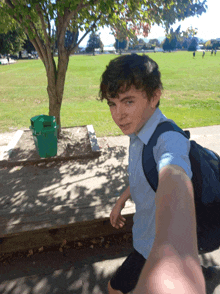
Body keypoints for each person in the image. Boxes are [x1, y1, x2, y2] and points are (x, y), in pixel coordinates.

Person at [99, 54, 206, 294]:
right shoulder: (138, 129)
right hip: (144, 238)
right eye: (112, 103)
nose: (118, 115)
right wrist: (121, 200)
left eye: (128, 102)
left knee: (113, 289)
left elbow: (174, 175)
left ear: (154, 96)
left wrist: (175, 258)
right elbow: (144, 176)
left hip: (153, 249)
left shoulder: (168, 140)